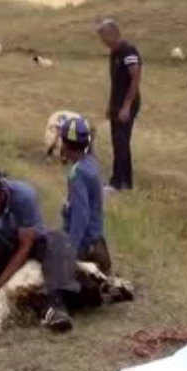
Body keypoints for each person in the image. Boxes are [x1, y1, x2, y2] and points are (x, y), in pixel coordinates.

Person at [0, 171, 79, 332]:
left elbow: (25, 247)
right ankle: (4, 288)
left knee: (58, 240)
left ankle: (55, 304)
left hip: (32, 246)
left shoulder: (23, 196)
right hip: (3, 250)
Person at [58, 116, 112, 273]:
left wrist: (71, 250)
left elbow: (80, 215)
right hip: (96, 238)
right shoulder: (90, 162)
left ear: (65, 144)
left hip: (85, 244)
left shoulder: (78, 173)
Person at [97, 18, 142, 192]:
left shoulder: (128, 51)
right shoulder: (114, 53)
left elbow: (135, 79)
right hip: (117, 102)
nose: (102, 42)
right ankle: (121, 182)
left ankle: (121, 183)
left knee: (121, 142)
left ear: (112, 34)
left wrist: (126, 106)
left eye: (103, 37)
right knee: (118, 142)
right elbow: (115, 83)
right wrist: (111, 105)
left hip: (127, 103)